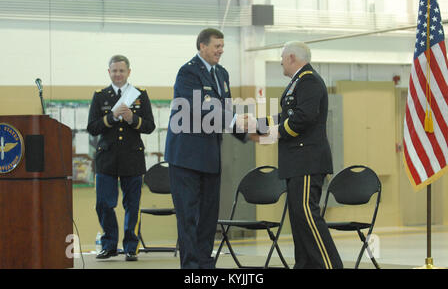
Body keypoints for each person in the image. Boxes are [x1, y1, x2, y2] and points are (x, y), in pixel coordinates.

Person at [251, 41, 343, 269]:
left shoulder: (309, 80)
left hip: (307, 161)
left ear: (292, 57)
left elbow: (304, 118)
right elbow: (287, 116)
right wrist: (257, 125)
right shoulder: (298, 82)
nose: (281, 61)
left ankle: (331, 265)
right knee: (298, 219)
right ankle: (305, 265)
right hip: (296, 162)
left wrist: (273, 133)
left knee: (307, 215)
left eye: (282, 57)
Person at [164, 28, 250, 269]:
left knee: (209, 216)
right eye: (217, 46)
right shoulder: (188, 72)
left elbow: (226, 111)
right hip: (186, 157)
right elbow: (197, 108)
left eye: (223, 46)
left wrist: (249, 132)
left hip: (210, 155)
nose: (221, 51)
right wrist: (234, 122)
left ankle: (205, 264)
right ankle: (191, 267)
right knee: (188, 216)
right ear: (202, 46)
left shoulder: (222, 73)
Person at [87, 54, 156, 262]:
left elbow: (150, 126)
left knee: (132, 205)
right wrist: (111, 116)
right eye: (114, 71)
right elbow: (92, 128)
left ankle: (130, 247)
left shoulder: (140, 95)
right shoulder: (100, 96)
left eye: (121, 71)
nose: (118, 74)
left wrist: (132, 119)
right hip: (106, 159)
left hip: (132, 158)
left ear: (128, 72)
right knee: (104, 204)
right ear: (109, 72)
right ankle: (109, 245)